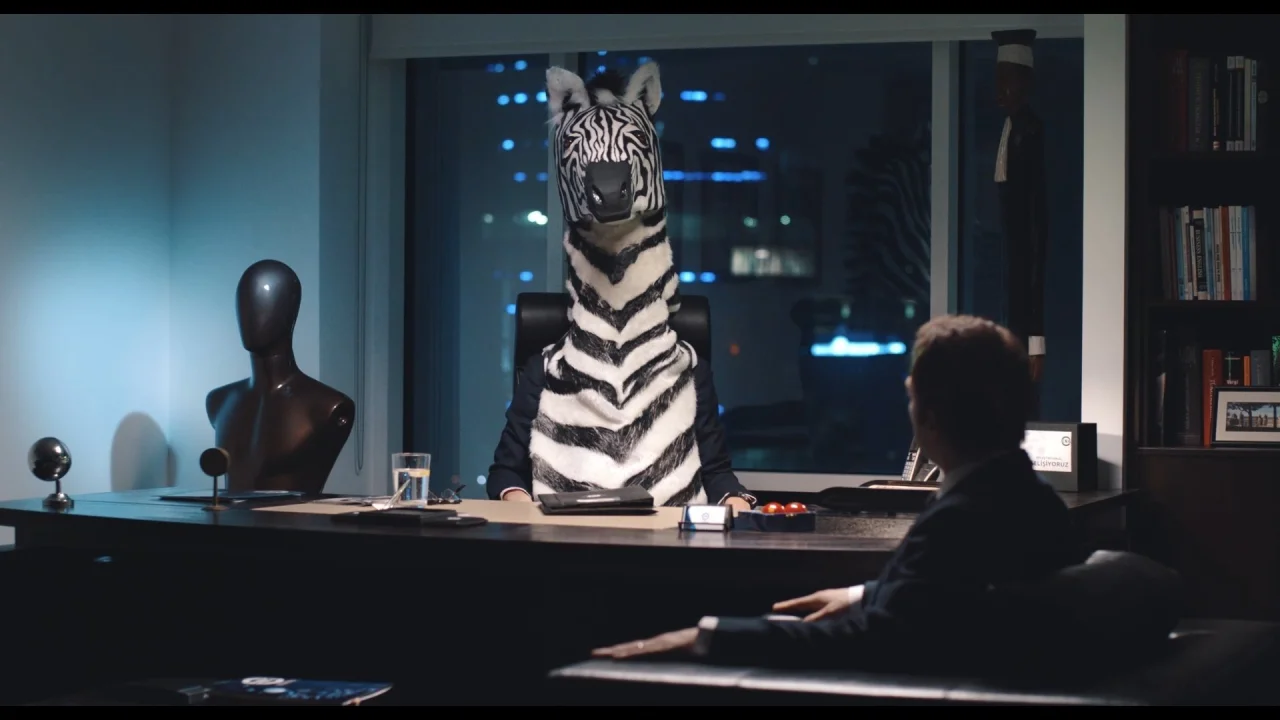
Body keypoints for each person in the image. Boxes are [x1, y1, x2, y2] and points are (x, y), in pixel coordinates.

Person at [593, 314, 1083, 669]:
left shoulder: (960, 519)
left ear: (930, 418)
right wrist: (860, 593)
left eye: (911, 396)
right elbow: (951, 599)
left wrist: (706, 636)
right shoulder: (1028, 498)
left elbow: (869, 641)